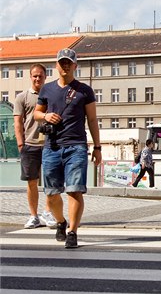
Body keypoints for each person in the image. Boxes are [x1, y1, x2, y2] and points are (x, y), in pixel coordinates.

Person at [34, 48, 102, 248]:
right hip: (52, 146)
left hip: (76, 146)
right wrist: (45, 116)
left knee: (74, 191)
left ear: (75, 66)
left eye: (68, 63)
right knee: (51, 193)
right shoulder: (47, 89)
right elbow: (37, 113)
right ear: (56, 65)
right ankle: (61, 222)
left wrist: (97, 147)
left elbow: (92, 119)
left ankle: (72, 231)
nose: (65, 66)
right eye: (61, 62)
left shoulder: (84, 90)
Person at [14, 63, 57, 229]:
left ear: (46, 77)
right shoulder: (22, 97)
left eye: (40, 75)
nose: (38, 78)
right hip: (30, 145)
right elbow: (17, 122)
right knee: (32, 182)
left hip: (50, 144)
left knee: (50, 181)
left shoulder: (52, 96)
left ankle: (47, 212)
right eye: (35, 76)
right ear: (30, 77)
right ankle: (33, 216)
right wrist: (20, 144)